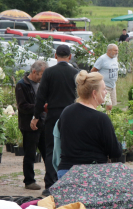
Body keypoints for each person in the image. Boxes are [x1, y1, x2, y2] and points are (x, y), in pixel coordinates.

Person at [31, 45, 79, 196]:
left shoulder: (49, 72)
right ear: (70, 57)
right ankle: (68, 183)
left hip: (53, 115)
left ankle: (51, 185)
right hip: (71, 115)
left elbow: (41, 96)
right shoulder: (76, 73)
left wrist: (36, 116)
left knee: (51, 149)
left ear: (55, 56)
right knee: (70, 148)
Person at [56, 71, 122, 179]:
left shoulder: (66, 112)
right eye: (104, 89)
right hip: (91, 174)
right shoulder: (101, 118)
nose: (106, 92)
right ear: (94, 93)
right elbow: (115, 151)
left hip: (66, 172)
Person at [15, 60, 47, 191]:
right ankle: (29, 180)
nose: (43, 78)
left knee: (47, 152)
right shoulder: (22, 85)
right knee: (30, 154)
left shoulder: (42, 84)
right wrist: (42, 108)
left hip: (43, 122)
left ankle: (50, 179)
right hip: (29, 125)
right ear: (34, 72)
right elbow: (22, 107)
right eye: (41, 74)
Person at [91, 44, 119, 110]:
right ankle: (105, 119)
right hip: (105, 87)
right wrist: (97, 82)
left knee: (112, 106)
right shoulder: (102, 59)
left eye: (117, 50)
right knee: (108, 106)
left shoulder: (115, 58)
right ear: (109, 51)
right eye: (115, 50)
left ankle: (109, 118)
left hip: (113, 86)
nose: (117, 52)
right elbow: (93, 71)